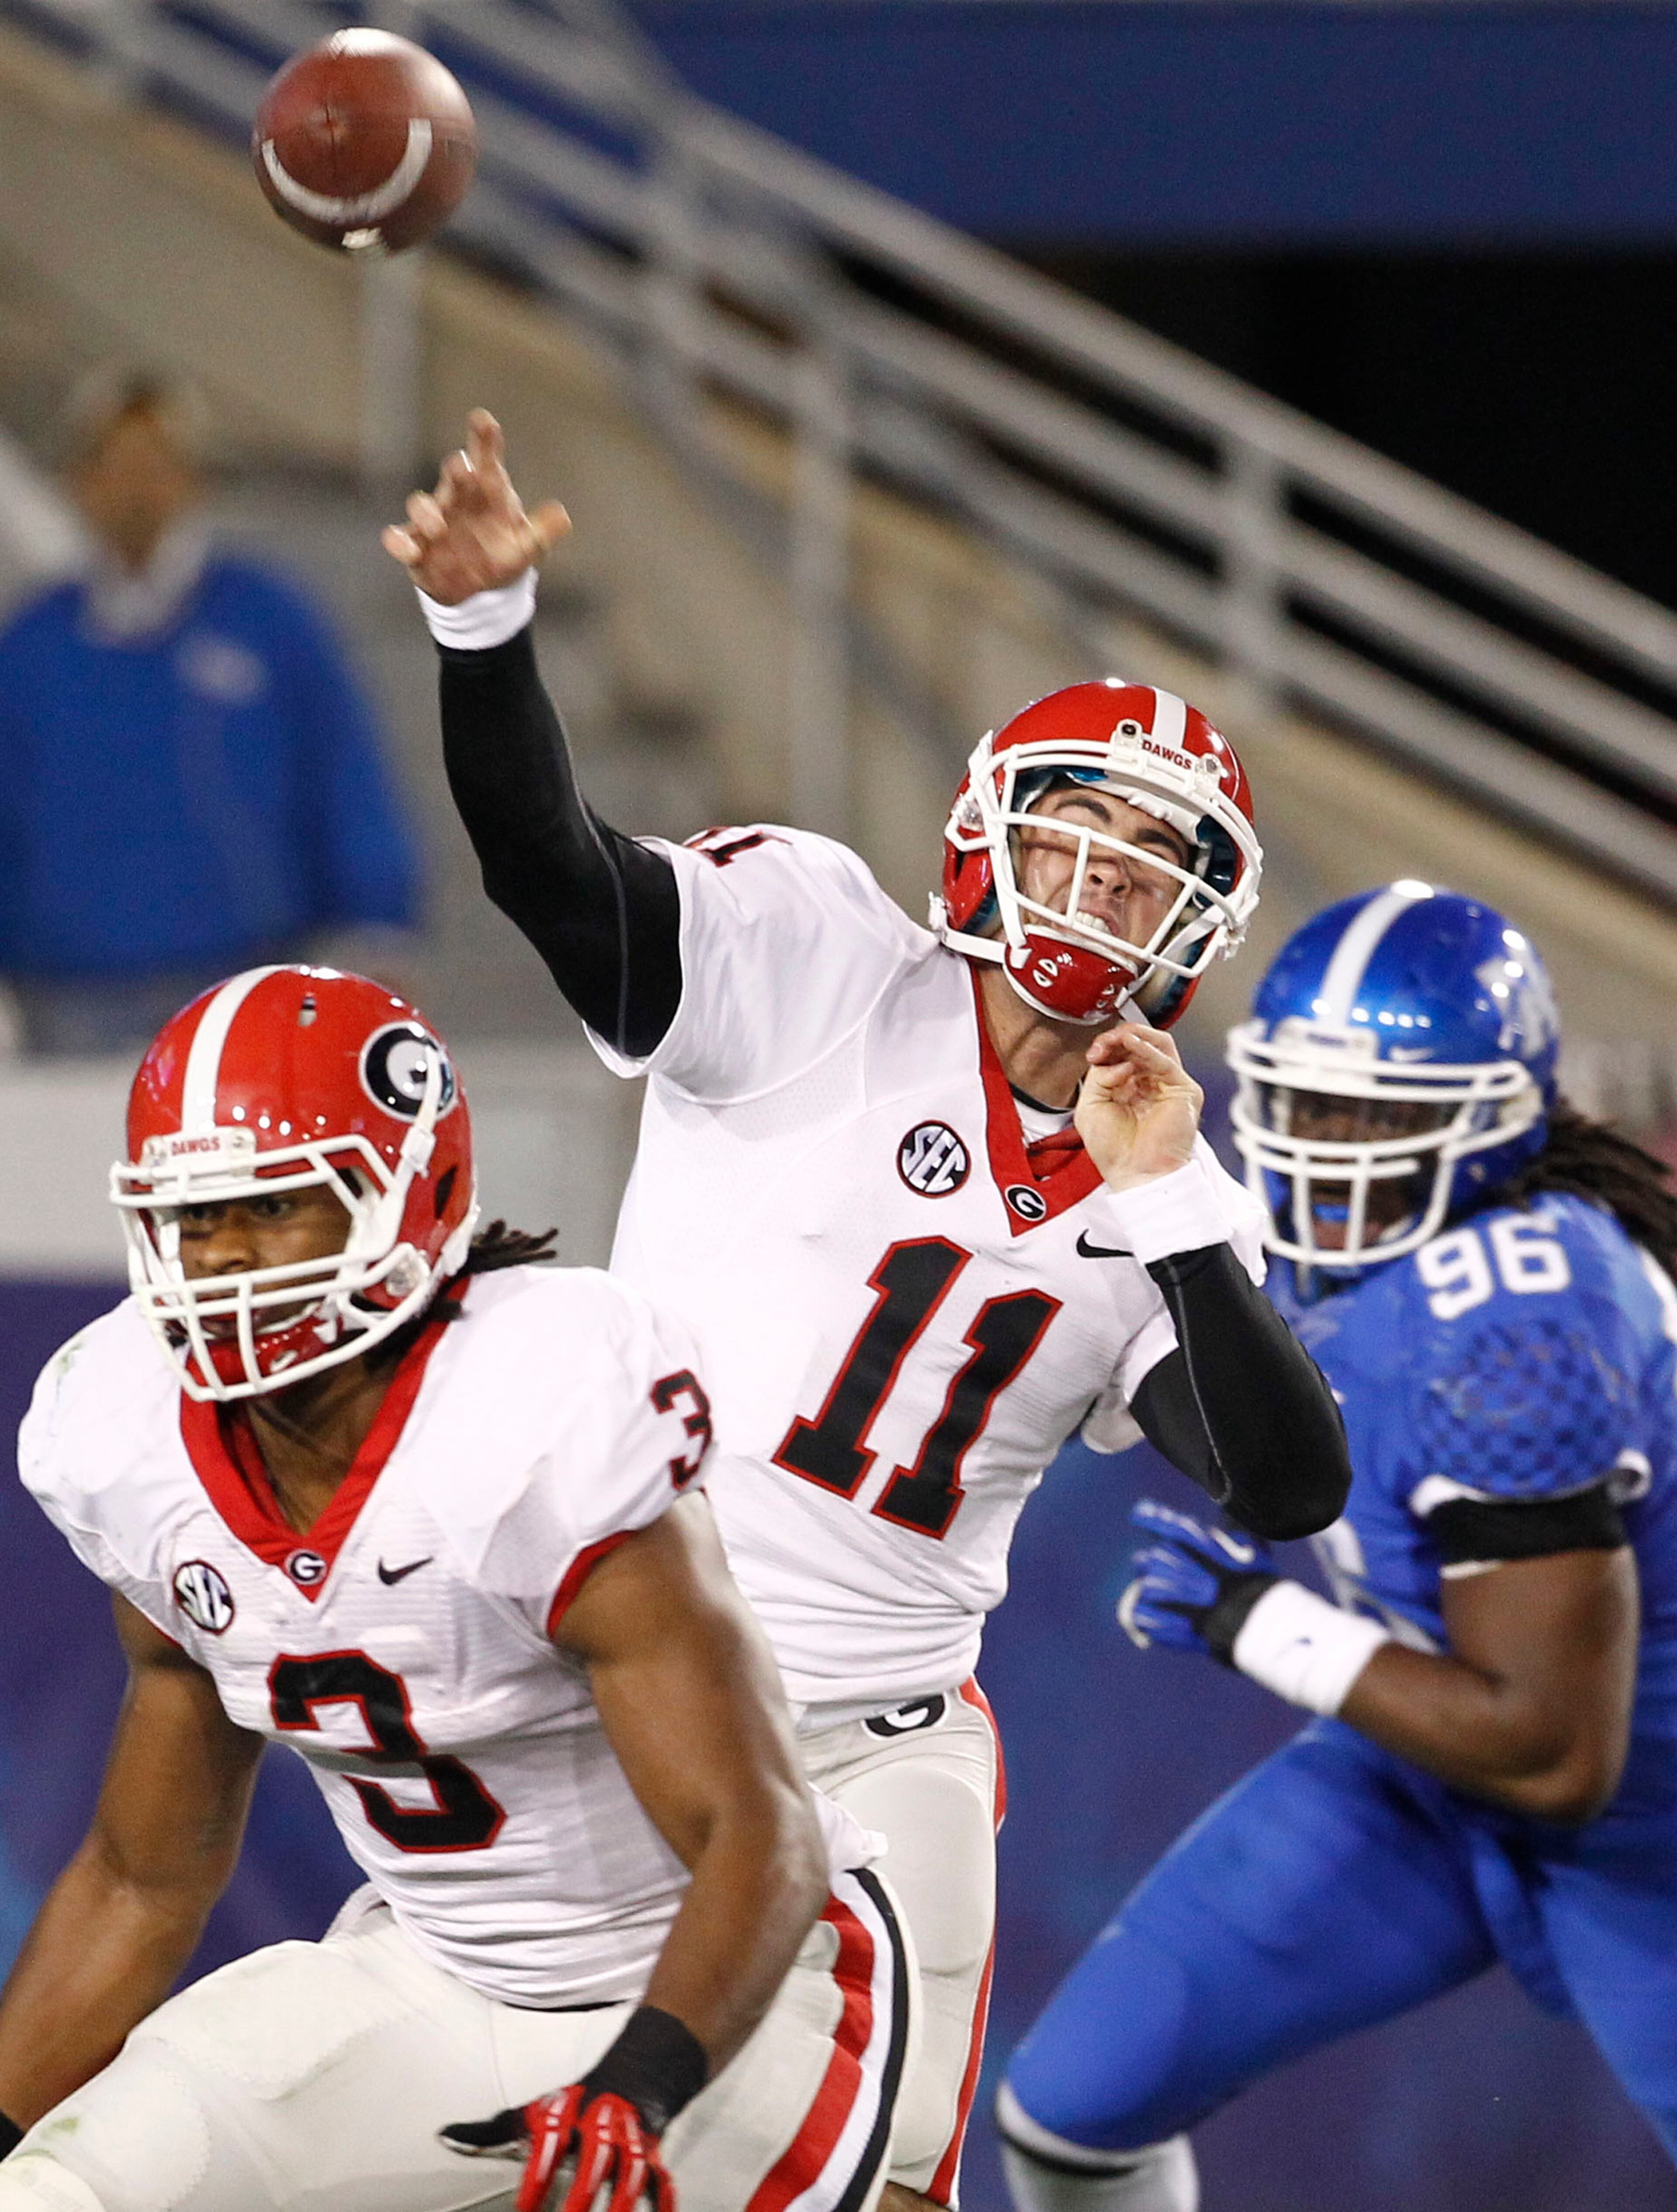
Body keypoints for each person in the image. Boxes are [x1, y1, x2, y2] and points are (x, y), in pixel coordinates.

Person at [380, 411, 1351, 2212]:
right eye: (1084, 836)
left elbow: (1289, 1483)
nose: (1108, 883)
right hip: (618, 1678)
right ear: (993, 832)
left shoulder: (1170, 1182)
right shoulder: (817, 950)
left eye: (1154, 866)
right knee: (488, 2123)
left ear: (1194, 926)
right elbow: (558, 877)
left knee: (880, 2182)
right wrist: (483, 638)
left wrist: (1175, 1201)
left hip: (873, 1732)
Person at [0, 963, 910, 2212]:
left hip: (719, 2002)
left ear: (411, 1196)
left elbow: (759, 1833)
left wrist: (637, 2082)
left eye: (272, 1207)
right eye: (188, 1217)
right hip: (432, 1977)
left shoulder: (532, 1411)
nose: (216, 1259)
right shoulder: (130, 1438)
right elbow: (140, 1879)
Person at [996, 882, 1677, 2212]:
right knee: (1070, 2110)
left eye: (1376, 1115)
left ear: (1491, 1122)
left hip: (1642, 1814)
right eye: (1305, 1103)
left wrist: (1269, 1629)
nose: (1323, 1148)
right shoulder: (1370, 1242)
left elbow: (1555, 1751)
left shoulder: (1520, 1322)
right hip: (1427, 1763)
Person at [0, 370, 418, 1054]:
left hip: (241, 993)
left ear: (193, 478)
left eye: (157, 464)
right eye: (116, 464)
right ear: (80, 481)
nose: (137, 487)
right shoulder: (29, 649)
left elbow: (344, 770)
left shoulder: (269, 621)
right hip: (66, 1000)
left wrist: (378, 917)